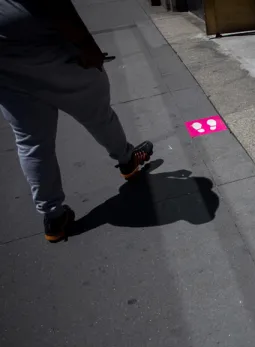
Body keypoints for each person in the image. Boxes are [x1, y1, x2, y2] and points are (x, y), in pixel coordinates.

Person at [0, 0, 153, 243]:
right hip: (49, 50)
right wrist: (88, 46)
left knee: (32, 142)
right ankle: (127, 160)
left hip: (6, 66)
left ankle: (53, 217)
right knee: (99, 117)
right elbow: (55, 5)